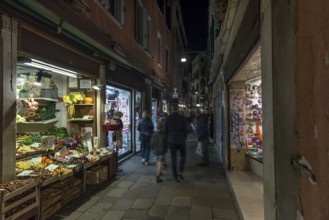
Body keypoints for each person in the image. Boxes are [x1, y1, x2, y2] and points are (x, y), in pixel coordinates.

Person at [165, 104, 188, 182]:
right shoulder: (182, 118)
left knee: (173, 159)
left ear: (171, 109)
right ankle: (180, 171)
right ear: (178, 109)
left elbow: (166, 131)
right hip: (181, 140)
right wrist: (184, 137)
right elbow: (186, 129)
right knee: (183, 156)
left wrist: (167, 141)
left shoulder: (168, 119)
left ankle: (175, 177)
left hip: (172, 141)